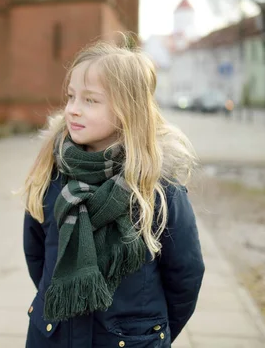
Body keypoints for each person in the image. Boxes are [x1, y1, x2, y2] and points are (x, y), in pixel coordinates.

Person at [22, 37, 205, 347]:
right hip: (53, 337)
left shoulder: (158, 188)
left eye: (90, 100)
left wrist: (150, 334)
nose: (73, 110)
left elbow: (185, 275)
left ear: (126, 109)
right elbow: (37, 253)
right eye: (70, 97)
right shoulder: (53, 174)